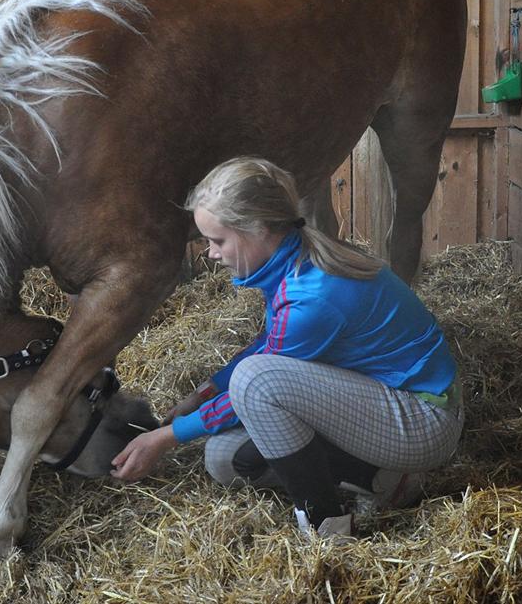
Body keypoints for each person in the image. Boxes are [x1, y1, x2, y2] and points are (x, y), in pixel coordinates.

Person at [111, 157, 463, 538]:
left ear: (258, 229)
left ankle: (327, 529)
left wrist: (163, 437)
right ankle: (382, 478)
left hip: (424, 420)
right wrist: (206, 390)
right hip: (379, 405)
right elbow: (269, 346)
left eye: (217, 241)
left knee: (255, 382)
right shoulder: (295, 260)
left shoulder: (312, 297)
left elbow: (259, 378)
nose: (210, 254)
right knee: (224, 459)